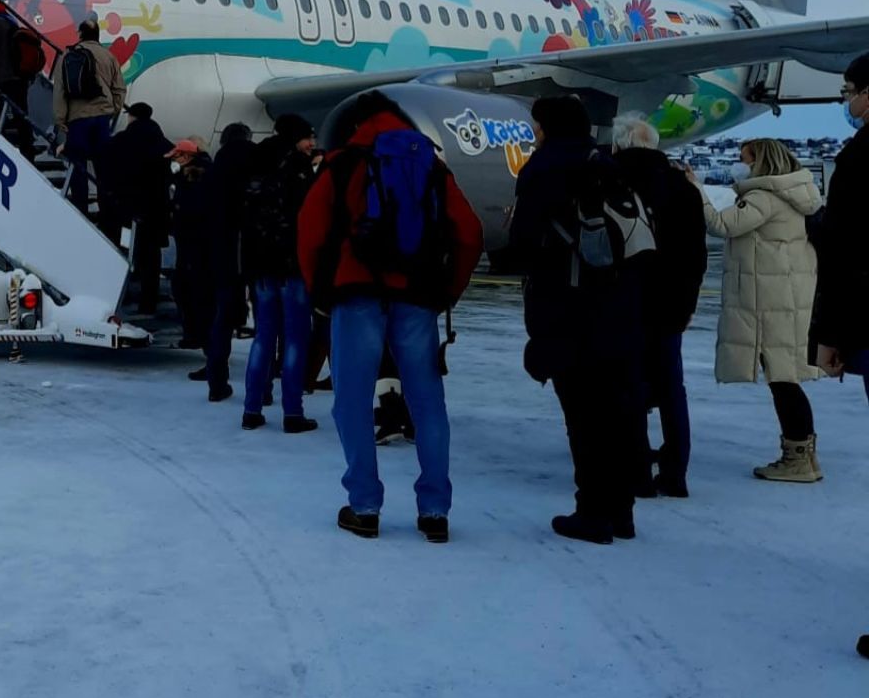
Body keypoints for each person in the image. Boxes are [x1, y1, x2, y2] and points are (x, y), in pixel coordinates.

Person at [298, 92, 482, 539]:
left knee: (353, 401)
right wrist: (447, 291)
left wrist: (320, 294)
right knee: (427, 403)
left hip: (356, 293)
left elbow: (310, 230)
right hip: (417, 295)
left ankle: (364, 506)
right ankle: (434, 510)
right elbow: (469, 232)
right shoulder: (430, 165)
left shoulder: (343, 163)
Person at [509, 95, 651, 543]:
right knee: (617, 409)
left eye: (536, 126)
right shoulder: (605, 162)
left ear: (548, 127)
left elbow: (523, 243)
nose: (534, 133)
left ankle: (592, 512)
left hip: (568, 305)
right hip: (618, 303)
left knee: (583, 415)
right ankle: (621, 511)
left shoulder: (543, 169)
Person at [697, 137, 823, 482]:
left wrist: (696, 191)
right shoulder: (797, 192)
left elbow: (722, 225)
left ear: (761, 161)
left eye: (745, 159)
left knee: (782, 379)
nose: (740, 166)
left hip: (768, 300)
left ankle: (797, 457)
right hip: (789, 296)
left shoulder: (764, 197)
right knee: (788, 375)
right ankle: (805, 455)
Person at [612, 114, 707, 497]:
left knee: (626, 386)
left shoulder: (611, 180)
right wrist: (685, 305)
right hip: (670, 304)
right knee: (671, 389)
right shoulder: (682, 188)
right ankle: (675, 471)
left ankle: (634, 469)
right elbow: (696, 256)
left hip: (623, 302)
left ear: (619, 145)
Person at [811, 55, 869, 659]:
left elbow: (846, 255)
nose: (847, 104)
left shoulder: (860, 160)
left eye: (850, 92)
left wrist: (831, 336)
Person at [239, 114, 320, 433]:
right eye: (307, 137)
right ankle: (293, 412)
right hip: (292, 265)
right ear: (294, 137)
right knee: (296, 339)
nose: (311, 143)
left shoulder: (255, 160)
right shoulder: (297, 168)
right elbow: (310, 215)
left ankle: (252, 408)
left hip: (260, 265)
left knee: (263, 336)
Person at [190, 122, 258, 402]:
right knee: (267, 325)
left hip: (222, 253)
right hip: (258, 252)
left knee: (221, 319)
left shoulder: (214, 172)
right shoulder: (259, 166)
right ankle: (262, 387)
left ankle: (216, 379)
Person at [99, 102, 174, 314]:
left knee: (119, 250)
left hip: (125, 209)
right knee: (151, 256)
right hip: (155, 209)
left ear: (132, 117)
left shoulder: (121, 141)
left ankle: (114, 296)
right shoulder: (163, 144)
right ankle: (148, 302)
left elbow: (105, 163)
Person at [50, 17, 126, 214]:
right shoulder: (108, 57)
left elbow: (59, 90)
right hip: (101, 118)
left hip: (78, 119)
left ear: (80, 35)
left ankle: (80, 210)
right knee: (103, 169)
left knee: (78, 166)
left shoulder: (69, 55)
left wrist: (60, 119)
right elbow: (119, 89)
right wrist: (113, 110)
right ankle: (107, 212)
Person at [169, 140, 213, 348]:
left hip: (192, 242)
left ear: (186, 157)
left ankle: (196, 335)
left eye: (176, 157)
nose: (173, 162)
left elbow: (190, 211)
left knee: (188, 288)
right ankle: (198, 334)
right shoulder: (208, 175)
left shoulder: (191, 180)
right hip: (199, 242)